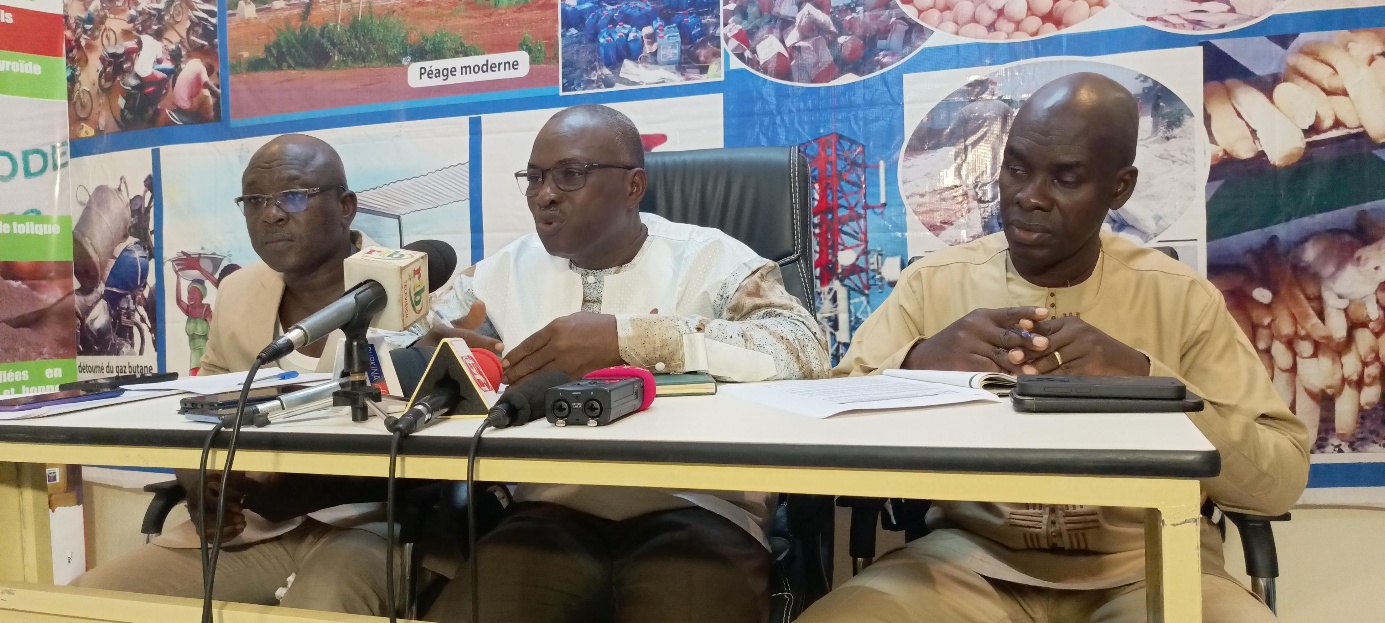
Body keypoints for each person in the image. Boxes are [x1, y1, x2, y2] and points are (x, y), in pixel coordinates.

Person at [798, 73, 1310, 623]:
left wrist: (1150, 384)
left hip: (1150, 565)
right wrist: (914, 365)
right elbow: (819, 434)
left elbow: (1277, 483)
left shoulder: (1179, 298)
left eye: (1066, 178)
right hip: (965, 565)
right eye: (1017, 169)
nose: (1029, 197)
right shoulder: (935, 285)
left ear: (1119, 188)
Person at [412, 104, 829, 623]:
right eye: (535, 178)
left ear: (633, 187)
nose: (544, 194)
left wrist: (628, 339)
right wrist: (431, 347)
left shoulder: (710, 259)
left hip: (698, 508)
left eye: (570, 174)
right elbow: (413, 335)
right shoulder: (502, 273)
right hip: (547, 512)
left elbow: (804, 349)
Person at [71, 134, 404, 615]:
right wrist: (197, 480)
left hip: (374, 527)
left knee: (317, 606)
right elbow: (196, 411)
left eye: (294, 196)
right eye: (255, 201)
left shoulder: (408, 288)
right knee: (88, 602)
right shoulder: (238, 291)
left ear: (346, 207)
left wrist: (301, 491)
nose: (271, 215)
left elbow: (441, 449)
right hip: (255, 529)